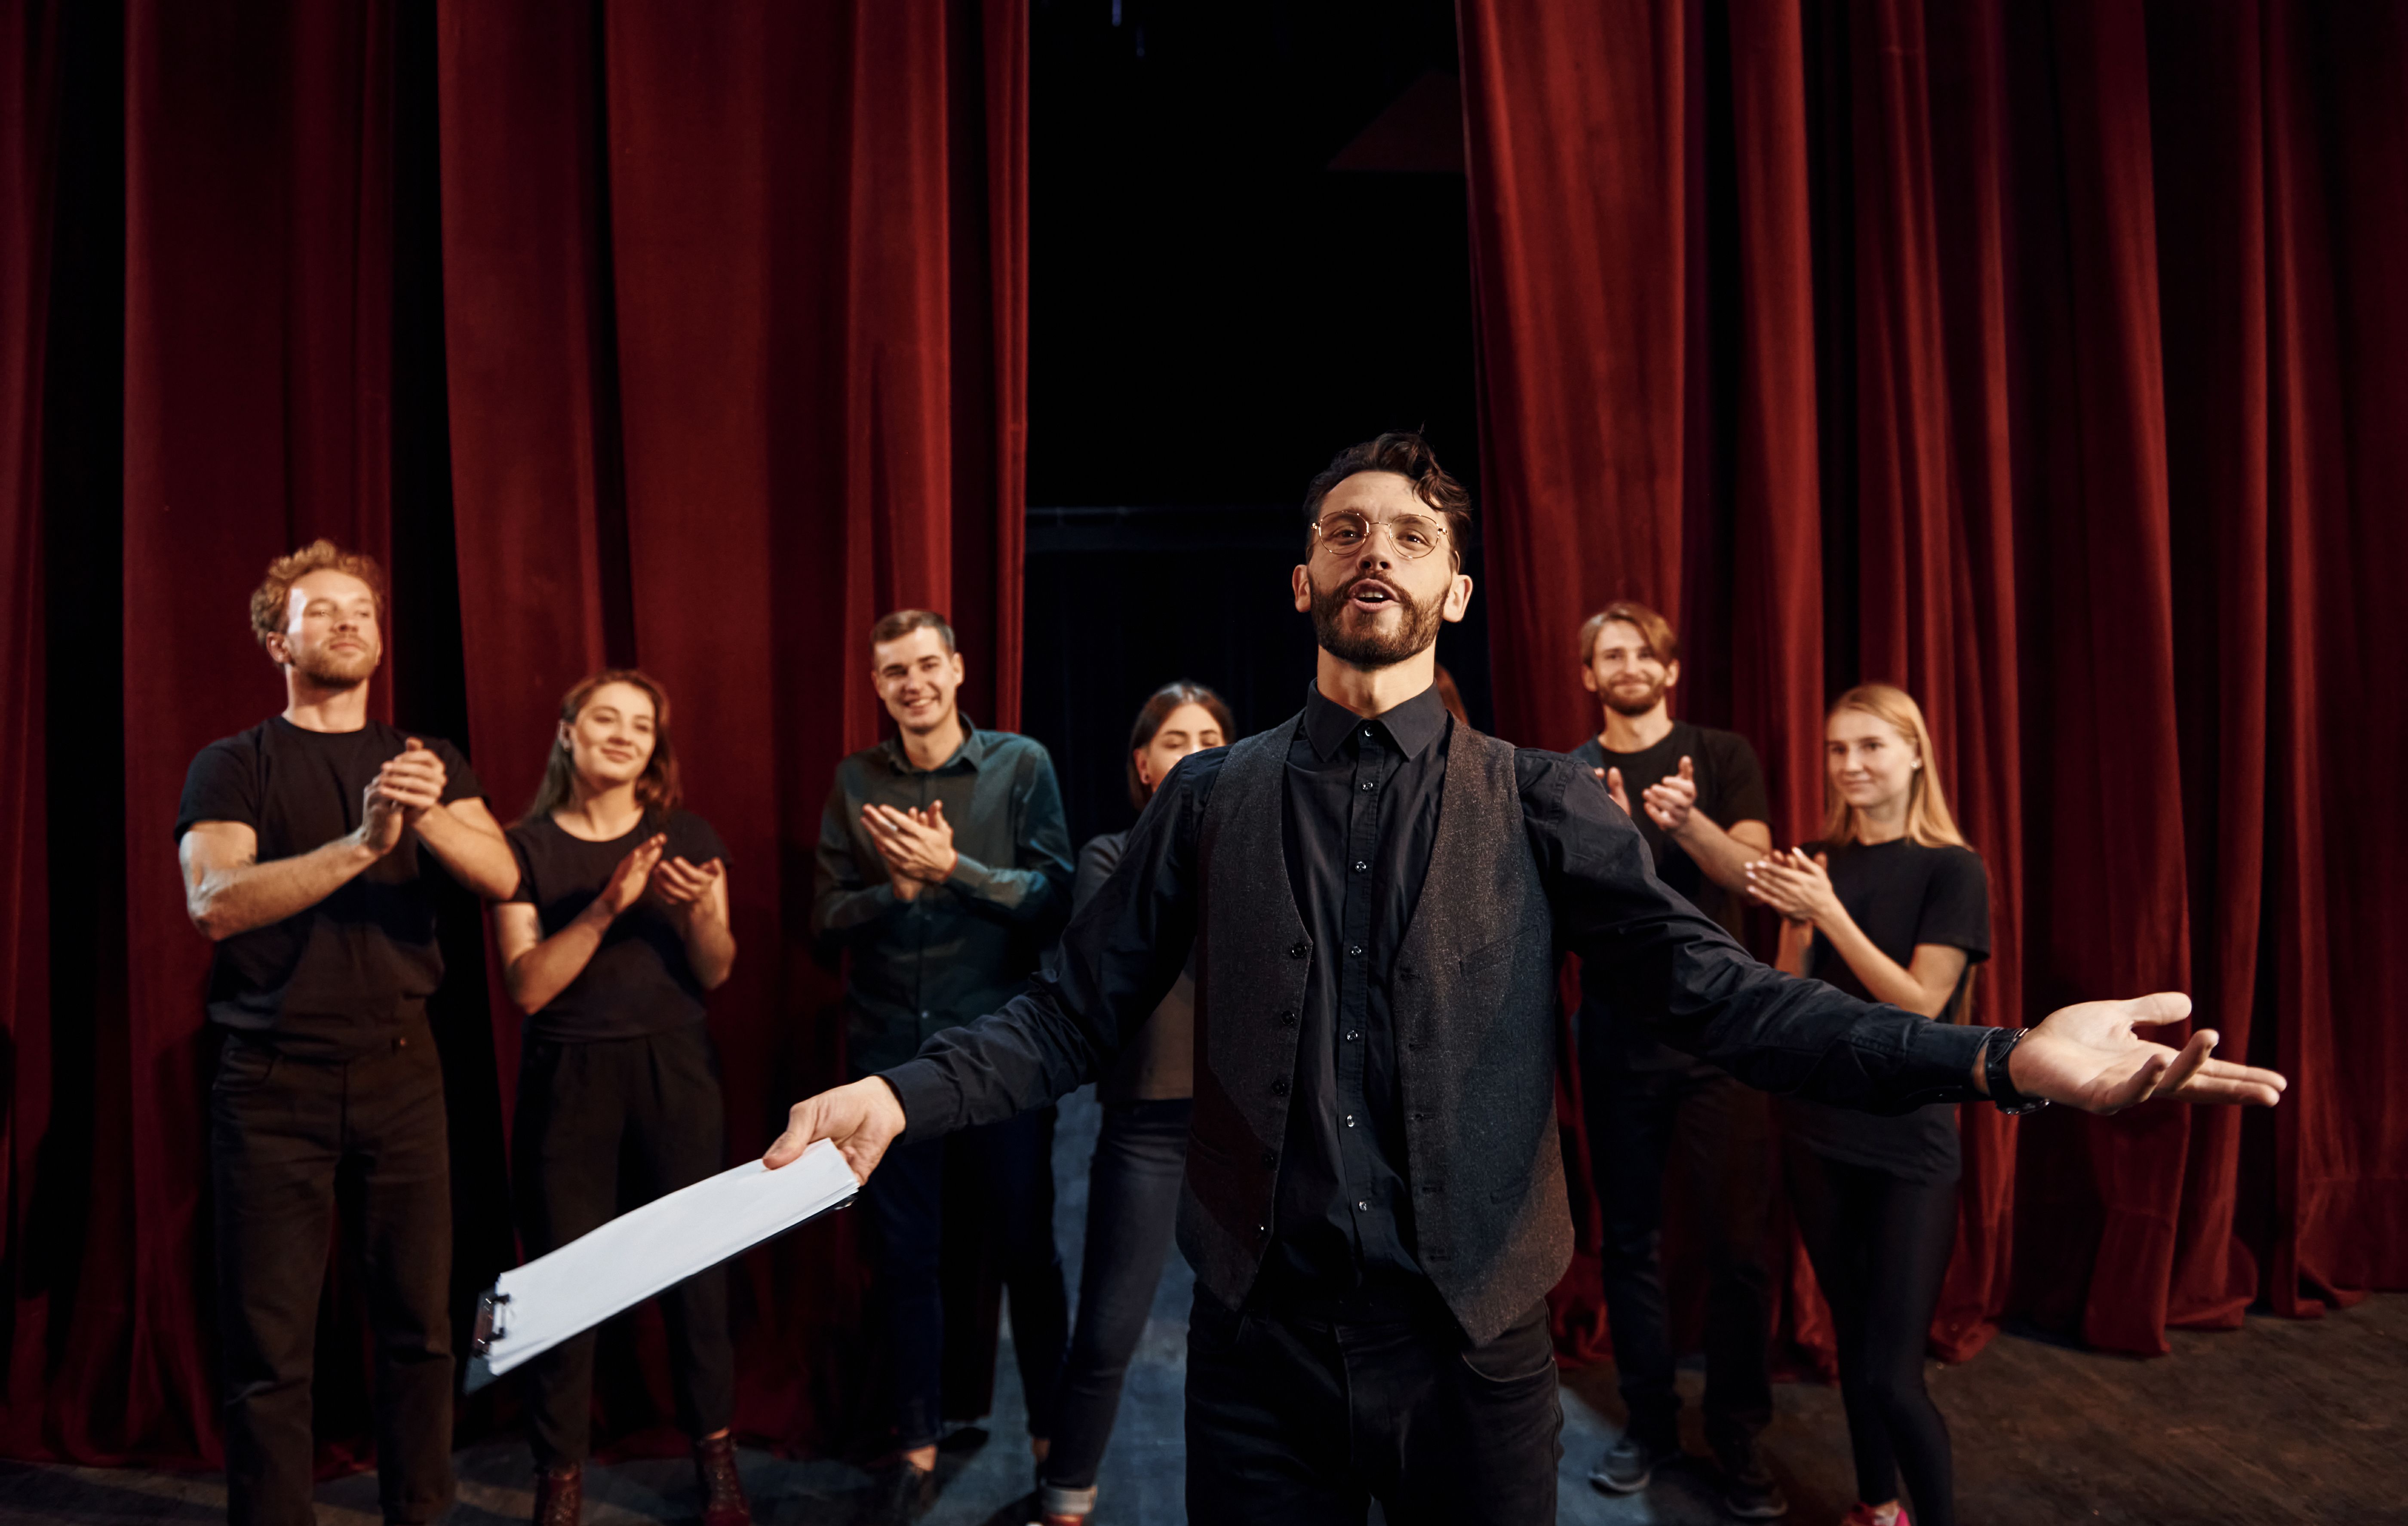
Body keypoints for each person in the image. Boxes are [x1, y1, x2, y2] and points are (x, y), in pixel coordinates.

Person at [766, 433, 2284, 1526]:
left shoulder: (1548, 801)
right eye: (1348, 533)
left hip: (1476, 1355)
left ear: (1462, 596)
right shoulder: (1211, 802)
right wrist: (897, 1095)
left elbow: (1726, 997)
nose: (1378, 553)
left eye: (1412, 536)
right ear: (1302, 581)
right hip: (1259, 1352)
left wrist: (2001, 1058)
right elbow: (1070, 1016)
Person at [176, 541, 520, 1526]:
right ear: (276, 637)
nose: (347, 623)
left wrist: (424, 814)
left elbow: (501, 876)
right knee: (270, 1345)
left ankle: (421, 1512)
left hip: (403, 1076)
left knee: (420, 1331)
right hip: (271, 1082)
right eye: (321, 610)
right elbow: (215, 901)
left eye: (361, 610)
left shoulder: (425, 759)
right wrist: (363, 844)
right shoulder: (234, 763)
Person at [810, 609, 1076, 1516]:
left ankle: (1055, 1448)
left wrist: (953, 867)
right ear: (878, 686)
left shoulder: (1021, 764)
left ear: (959, 670)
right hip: (886, 1059)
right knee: (904, 1259)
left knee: (1026, 1254)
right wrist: (900, 888)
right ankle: (916, 1451)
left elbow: (1056, 899)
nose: (913, 683)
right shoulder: (856, 779)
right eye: (894, 672)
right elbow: (823, 921)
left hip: (1002, 1054)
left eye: (928, 664)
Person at [490, 669, 748, 1526]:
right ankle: (557, 1479)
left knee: (696, 1275)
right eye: (606, 717)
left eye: (640, 723)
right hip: (568, 1077)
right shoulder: (522, 846)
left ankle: (716, 1465)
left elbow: (715, 968)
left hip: (675, 1068)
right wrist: (609, 905)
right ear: (568, 731)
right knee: (566, 1279)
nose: (624, 733)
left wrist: (699, 911)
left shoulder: (689, 834)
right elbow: (528, 986)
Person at [1744, 685, 1989, 1526]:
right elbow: (1785, 997)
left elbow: (1920, 1006)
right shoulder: (1816, 857)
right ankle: (1879, 1505)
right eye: (1837, 749)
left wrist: (1828, 914)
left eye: (1870, 747)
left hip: (1908, 1143)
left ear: (1914, 754)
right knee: (1853, 1344)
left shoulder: (1952, 868)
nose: (1849, 764)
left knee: (1892, 1369)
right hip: (1817, 1129)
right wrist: (1795, 918)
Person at [1567, 600, 1785, 1515]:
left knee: (1740, 1248)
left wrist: (1688, 823)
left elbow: (1754, 875)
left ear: (1670, 668)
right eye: (1608, 654)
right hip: (1618, 1041)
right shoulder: (1573, 773)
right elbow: (1574, 912)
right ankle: (1649, 1424)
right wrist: (1617, 838)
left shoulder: (1722, 754)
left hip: (1720, 1042)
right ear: (1588, 676)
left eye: (1641, 651)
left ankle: (1736, 1435)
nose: (1626, 665)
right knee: (1631, 1247)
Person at [1036, 682, 1234, 1526]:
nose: (1193, 747)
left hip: (1248, 1126)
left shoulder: (1261, 852)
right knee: (1109, 1325)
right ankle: (1065, 1493)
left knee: (1254, 1333)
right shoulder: (1109, 854)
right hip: (1148, 1124)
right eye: (1174, 736)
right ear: (1143, 764)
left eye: (1212, 735)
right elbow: (1110, 957)